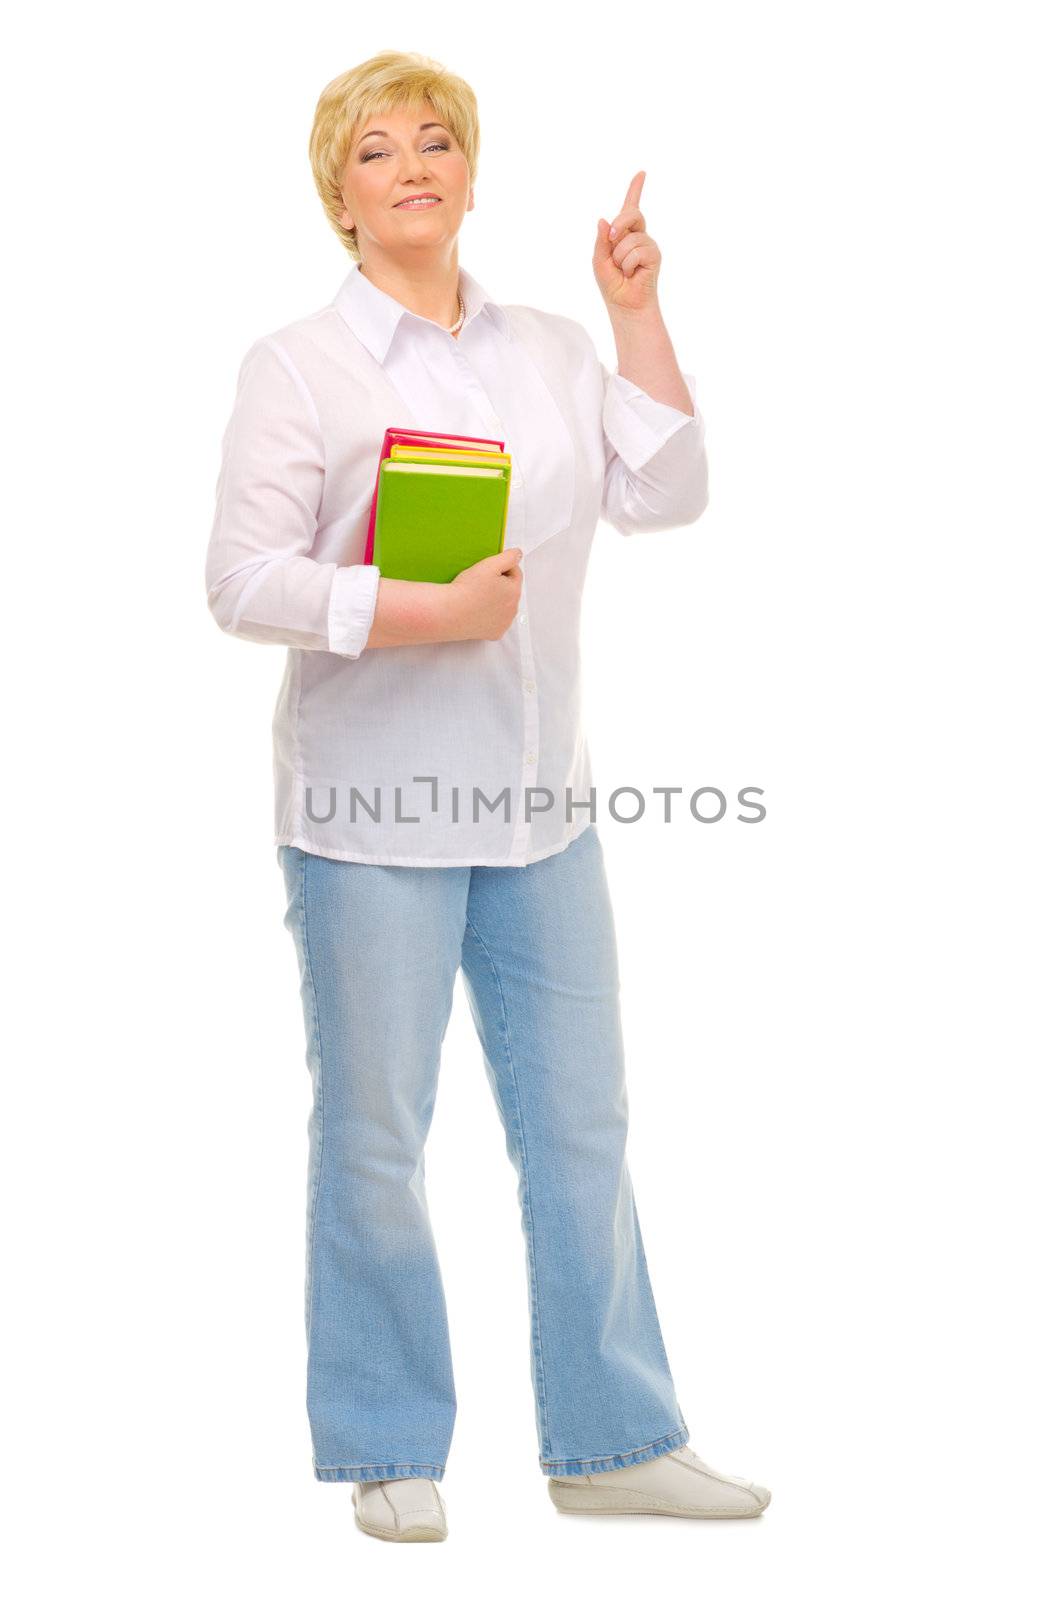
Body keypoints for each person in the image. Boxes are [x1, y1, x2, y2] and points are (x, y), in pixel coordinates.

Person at [205, 49, 771, 1543]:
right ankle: (386, 1439)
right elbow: (241, 581)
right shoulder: (297, 367)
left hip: (542, 817)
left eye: (436, 139)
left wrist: (637, 311)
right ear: (339, 193)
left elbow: (666, 495)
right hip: (368, 820)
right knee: (377, 1135)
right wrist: (416, 609)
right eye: (377, 149)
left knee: (582, 1128)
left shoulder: (551, 353)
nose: (412, 165)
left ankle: (614, 1440)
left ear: (469, 169)